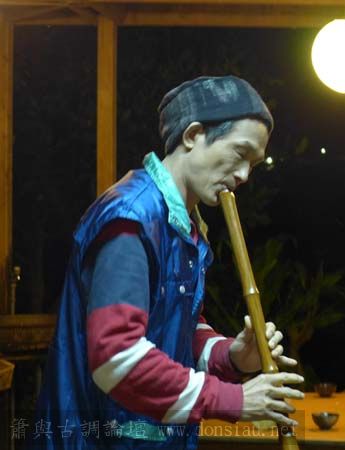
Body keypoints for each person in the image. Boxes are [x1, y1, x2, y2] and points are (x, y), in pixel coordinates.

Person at [34, 76, 304, 449]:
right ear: (193, 135)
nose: (244, 175)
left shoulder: (185, 225)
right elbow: (117, 358)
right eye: (239, 153)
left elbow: (180, 330)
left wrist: (233, 356)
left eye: (253, 164)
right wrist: (234, 399)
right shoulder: (131, 217)